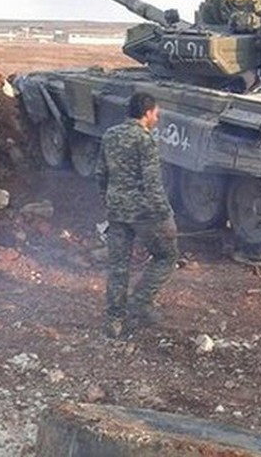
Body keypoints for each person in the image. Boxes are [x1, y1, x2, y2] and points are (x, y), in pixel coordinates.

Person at [95, 92, 179, 339]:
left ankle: (114, 320)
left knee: (118, 266)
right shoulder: (145, 140)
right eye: (156, 114)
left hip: (117, 211)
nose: (157, 118)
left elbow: (100, 174)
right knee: (166, 256)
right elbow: (153, 184)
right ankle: (140, 302)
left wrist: (108, 201)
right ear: (147, 113)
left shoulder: (110, 135)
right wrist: (166, 216)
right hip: (143, 213)